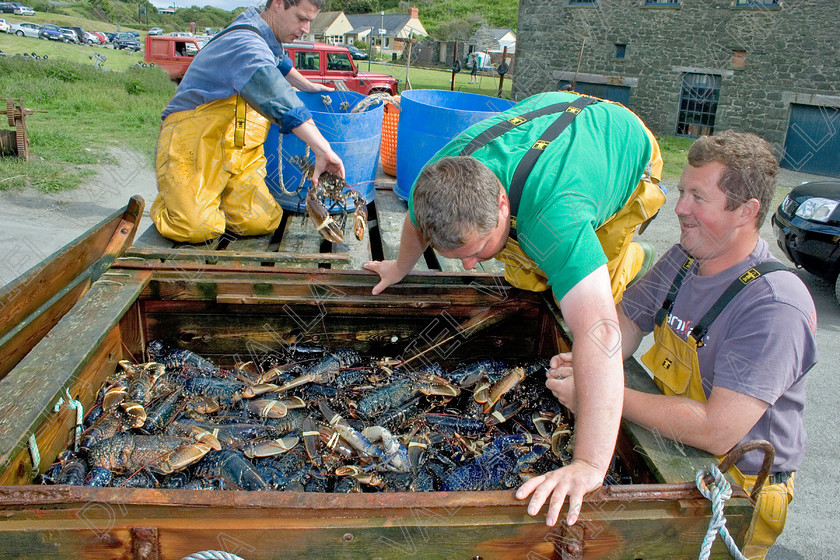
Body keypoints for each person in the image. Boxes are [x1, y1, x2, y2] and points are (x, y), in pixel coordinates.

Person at [364, 91, 666, 526]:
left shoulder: (554, 220)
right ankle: (571, 266)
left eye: (476, 249)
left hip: (626, 147)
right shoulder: (446, 173)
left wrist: (589, 465)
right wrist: (399, 266)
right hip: (557, 127)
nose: (470, 265)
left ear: (502, 202)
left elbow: (600, 331)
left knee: (584, 293)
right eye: (459, 255)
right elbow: (417, 217)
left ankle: (633, 259)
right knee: (528, 275)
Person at [537, 130, 817, 558]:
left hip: (736, 490)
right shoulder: (685, 259)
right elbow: (626, 322)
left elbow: (717, 429)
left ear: (746, 211)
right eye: (682, 190)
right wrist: (586, 362)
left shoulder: (775, 305)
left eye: (697, 198)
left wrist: (598, 394)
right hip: (673, 451)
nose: (679, 208)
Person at [150, 0, 345, 243]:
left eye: (310, 21)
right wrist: (323, 149)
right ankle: (173, 198)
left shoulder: (262, 31)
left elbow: (278, 61)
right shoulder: (245, 43)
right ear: (277, 4)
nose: (306, 28)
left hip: (236, 145)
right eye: (301, 18)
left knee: (262, 220)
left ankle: (212, 195)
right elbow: (275, 91)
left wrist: (306, 85)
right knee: (197, 227)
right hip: (192, 140)